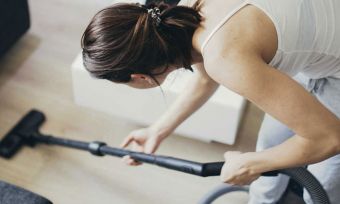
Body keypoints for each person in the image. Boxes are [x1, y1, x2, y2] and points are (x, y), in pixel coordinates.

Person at [81, 0, 340, 203]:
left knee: (321, 181)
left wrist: (253, 164)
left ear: (139, 78)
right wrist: (157, 131)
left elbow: (330, 138)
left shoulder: (225, 59)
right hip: (321, 44)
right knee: (272, 143)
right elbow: (205, 79)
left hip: (334, 68)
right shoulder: (184, 13)